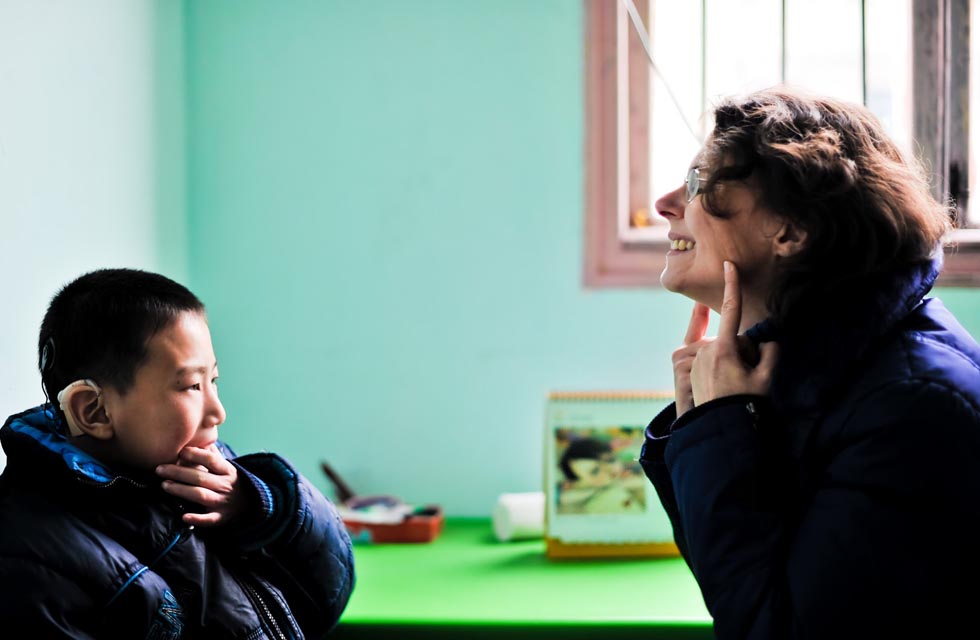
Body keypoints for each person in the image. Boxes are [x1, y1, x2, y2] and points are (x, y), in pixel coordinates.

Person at [640, 86, 980, 639]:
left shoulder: (913, 408)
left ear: (792, 230)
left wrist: (718, 431)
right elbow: (741, 588)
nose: (666, 202)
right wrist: (701, 428)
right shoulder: (811, 372)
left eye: (701, 181)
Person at [0, 268, 355, 638]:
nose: (219, 412)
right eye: (191, 385)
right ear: (95, 411)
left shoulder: (208, 484)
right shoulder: (29, 559)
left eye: (213, 380)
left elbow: (325, 603)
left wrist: (260, 509)